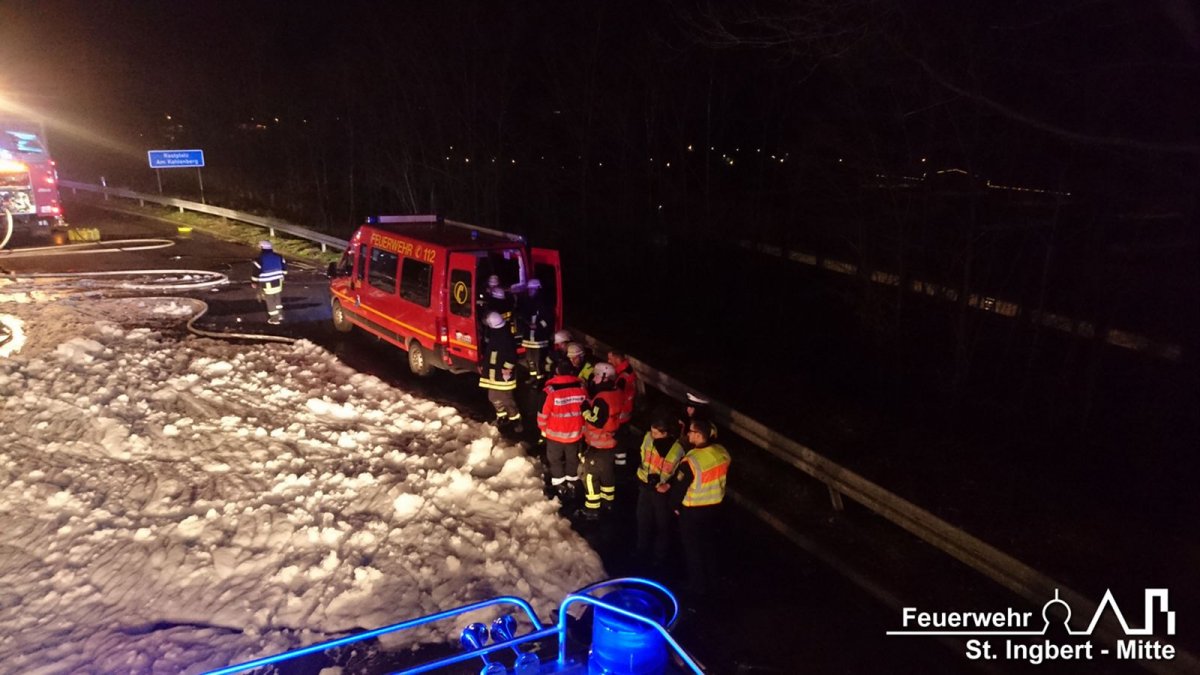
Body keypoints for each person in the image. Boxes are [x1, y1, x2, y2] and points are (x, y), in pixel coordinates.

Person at [661, 419, 731, 595]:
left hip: (693, 511)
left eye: (691, 431)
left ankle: (697, 587)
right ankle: (713, 581)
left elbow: (679, 487)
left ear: (699, 435)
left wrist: (673, 506)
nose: (688, 434)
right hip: (715, 507)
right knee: (708, 545)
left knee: (693, 549)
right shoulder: (722, 452)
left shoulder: (692, 460)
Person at [635, 415, 684, 570]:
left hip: (661, 491)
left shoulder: (677, 450)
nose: (652, 435)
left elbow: (679, 475)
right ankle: (641, 550)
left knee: (662, 526)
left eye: (656, 433)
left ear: (666, 433)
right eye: (651, 431)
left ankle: (659, 557)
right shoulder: (648, 438)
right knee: (643, 520)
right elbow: (643, 455)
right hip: (645, 485)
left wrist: (667, 485)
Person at [537, 361, 588, 501]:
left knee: (555, 460)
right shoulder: (581, 388)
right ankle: (572, 483)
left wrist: (543, 429)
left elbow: (542, 414)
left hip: (555, 434)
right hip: (575, 434)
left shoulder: (549, 391)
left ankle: (560, 486)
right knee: (573, 459)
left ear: (557, 372)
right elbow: (586, 409)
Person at [579, 362, 622, 519]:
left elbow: (595, 420)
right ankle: (608, 503)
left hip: (598, 445)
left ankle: (592, 509)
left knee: (589, 476)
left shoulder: (601, 398)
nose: (594, 379)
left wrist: (584, 409)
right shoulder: (616, 392)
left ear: (604, 377)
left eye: (597, 375)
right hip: (610, 443)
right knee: (607, 475)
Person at [479, 311, 522, 432]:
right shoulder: (495, 334)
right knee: (493, 397)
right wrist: (483, 364)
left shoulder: (506, 337)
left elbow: (512, 355)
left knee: (507, 399)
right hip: (493, 373)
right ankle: (502, 417)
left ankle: (516, 421)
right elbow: (489, 353)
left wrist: (507, 368)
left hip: (503, 374)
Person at [516, 279, 555, 377]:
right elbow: (523, 314)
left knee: (538, 360)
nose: (530, 291)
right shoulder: (527, 302)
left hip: (539, 337)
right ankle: (533, 377)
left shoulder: (544, 303)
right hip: (529, 336)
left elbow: (549, 318)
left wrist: (538, 325)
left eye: (532, 289)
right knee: (530, 359)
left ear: (538, 289)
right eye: (529, 289)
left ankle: (539, 379)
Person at [607, 349, 639, 468]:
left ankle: (619, 468)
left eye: (610, 358)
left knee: (619, 445)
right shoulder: (628, 371)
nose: (608, 361)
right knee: (623, 442)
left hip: (620, 417)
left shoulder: (621, 378)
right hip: (627, 414)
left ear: (617, 358)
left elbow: (616, 397)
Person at [251, 241, 287, 325]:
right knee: (277, 297)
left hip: (268, 282)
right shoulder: (279, 256)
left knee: (270, 300)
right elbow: (284, 268)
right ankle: (280, 314)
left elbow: (255, 272)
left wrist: (254, 282)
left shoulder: (259, 259)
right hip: (278, 281)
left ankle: (275, 319)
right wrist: (282, 276)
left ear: (262, 248)